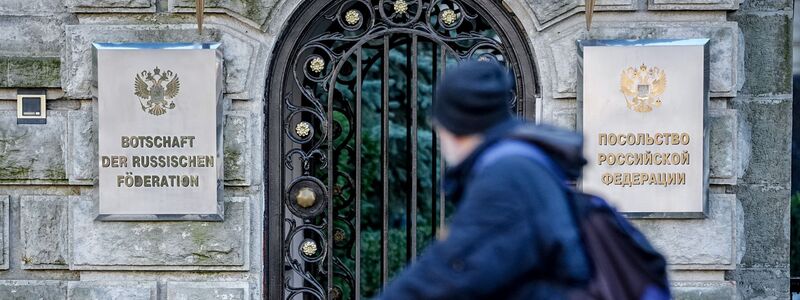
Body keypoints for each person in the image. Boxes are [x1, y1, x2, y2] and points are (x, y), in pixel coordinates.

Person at [378, 60, 592, 299]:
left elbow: (448, 271)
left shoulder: (507, 176)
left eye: (438, 125)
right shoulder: (523, 163)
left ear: (455, 126)